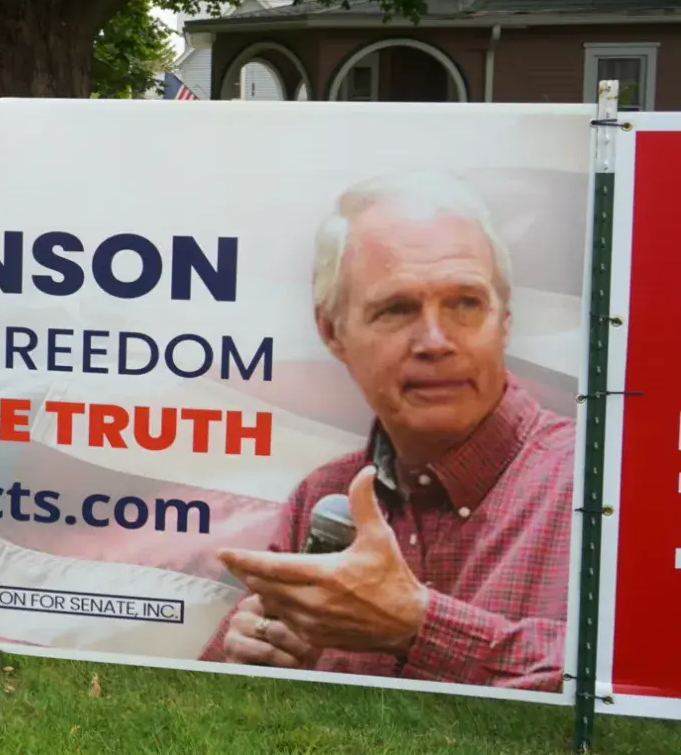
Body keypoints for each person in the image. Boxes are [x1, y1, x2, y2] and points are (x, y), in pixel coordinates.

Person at [201, 171, 576, 691]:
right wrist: (242, 662)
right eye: (397, 308)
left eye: (466, 303)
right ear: (333, 332)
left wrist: (420, 628)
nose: (436, 340)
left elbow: (638, 683)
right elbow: (207, 714)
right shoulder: (324, 499)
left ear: (505, 321)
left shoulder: (599, 490)